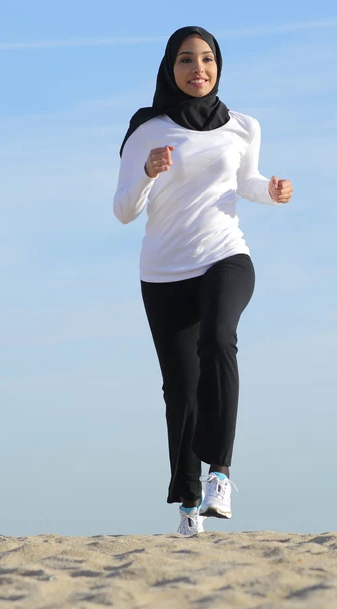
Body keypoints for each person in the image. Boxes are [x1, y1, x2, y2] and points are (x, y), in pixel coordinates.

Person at [112, 26, 292, 536]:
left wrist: (271, 190)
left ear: (219, 65)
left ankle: (221, 474)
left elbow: (245, 182)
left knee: (218, 340)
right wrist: (147, 171)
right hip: (164, 273)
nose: (199, 69)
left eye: (207, 59)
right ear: (170, 68)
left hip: (225, 255)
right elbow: (124, 210)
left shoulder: (243, 126)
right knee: (181, 390)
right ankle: (189, 506)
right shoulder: (148, 128)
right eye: (187, 60)